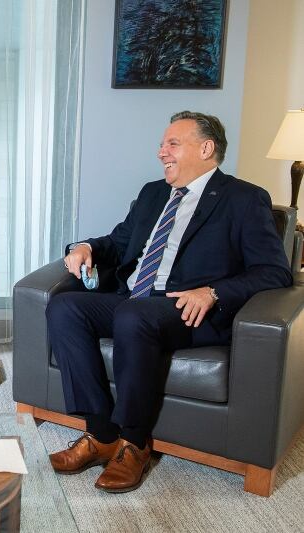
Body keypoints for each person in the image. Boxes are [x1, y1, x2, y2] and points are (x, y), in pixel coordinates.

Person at [46, 111, 292, 493]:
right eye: (163, 145)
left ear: (206, 148)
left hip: (189, 310)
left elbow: (275, 271)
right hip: (136, 302)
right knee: (65, 306)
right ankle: (101, 433)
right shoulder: (152, 193)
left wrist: (213, 292)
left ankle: (135, 442)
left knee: (133, 316)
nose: (162, 152)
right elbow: (119, 242)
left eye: (172, 144)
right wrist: (85, 247)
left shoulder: (244, 199)